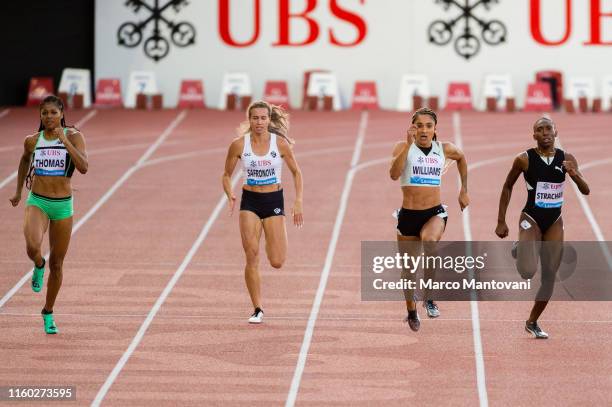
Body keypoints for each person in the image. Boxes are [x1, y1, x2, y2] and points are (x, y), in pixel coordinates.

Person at [496, 117, 589, 339]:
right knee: (527, 272)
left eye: (549, 128)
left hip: (554, 220)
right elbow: (507, 186)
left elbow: (586, 190)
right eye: (540, 129)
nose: (545, 132)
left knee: (549, 277)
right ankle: (522, 246)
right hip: (531, 218)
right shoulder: (524, 159)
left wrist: (574, 174)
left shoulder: (567, 158)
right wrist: (501, 221)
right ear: (534, 135)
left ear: (556, 132)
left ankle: (532, 321)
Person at [9, 95, 88, 334]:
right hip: (39, 201)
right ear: (40, 116)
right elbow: (24, 161)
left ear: (62, 114)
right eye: (45, 113)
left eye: (54, 113)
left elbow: (84, 167)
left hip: (63, 205)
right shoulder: (32, 141)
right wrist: (17, 191)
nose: (49, 117)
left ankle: (48, 312)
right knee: (33, 247)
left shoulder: (74, 136)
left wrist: (65, 140)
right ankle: (37, 264)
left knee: (58, 263)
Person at [222, 100, 303, 324]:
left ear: (269, 120)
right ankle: (257, 308)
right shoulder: (239, 145)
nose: (259, 122)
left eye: (263, 118)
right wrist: (229, 193)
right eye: (255, 118)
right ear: (250, 120)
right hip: (250, 201)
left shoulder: (280, 145)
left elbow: (297, 173)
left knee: (277, 261)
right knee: (251, 255)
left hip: (273, 200)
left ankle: (271, 236)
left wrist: (298, 201)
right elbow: (226, 175)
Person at [390, 108, 469, 331]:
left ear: (435, 130)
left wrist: (464, 190)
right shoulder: (402, 147)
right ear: (412, 128)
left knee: (430, 242)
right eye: (419, 125)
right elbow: (394, 175)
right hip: (408, 216)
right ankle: (411, 311)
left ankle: (429, 296)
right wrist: (407, 146)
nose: (424, 130)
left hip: (433, 213)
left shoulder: (443, 149)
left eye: (428, 126)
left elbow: (462, 157)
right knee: (408, 271)